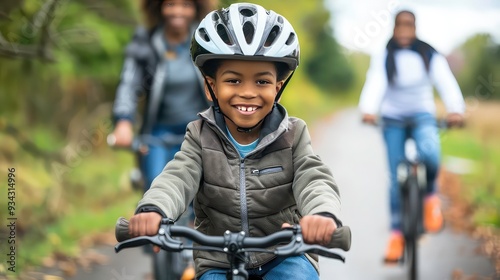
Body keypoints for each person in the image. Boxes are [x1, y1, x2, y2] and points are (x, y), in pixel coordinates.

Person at [127, 3, 343, 279]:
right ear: (211, 87)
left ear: (278, 87)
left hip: (284, 255)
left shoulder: (294, 134)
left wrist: (322, 215)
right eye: (234, 80)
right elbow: (177, 177)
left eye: (262, 82)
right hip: (218, 260)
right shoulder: (199, 135)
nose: (249, 93)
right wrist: (154, 209)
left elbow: (314, 179)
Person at [358, 10, 465, 262]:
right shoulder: (386, 54)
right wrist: (368, 110)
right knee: (395, 176)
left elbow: (445, 81)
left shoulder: (428, 53)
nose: (405, 31)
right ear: (393, 29)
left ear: (415, 28)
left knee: (430, 154)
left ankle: (430, 199)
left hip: (422, 116)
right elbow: (376, 82)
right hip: (392, 119)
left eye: (409, 26)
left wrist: (456, 109)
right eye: (400, 26)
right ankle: (396, 234)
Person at [110, 0, 216, 192]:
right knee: (155, 191)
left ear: (196, 8)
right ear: (158, 7)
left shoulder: (208, 41)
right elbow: (129, 83)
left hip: (199, 133)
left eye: (186, 5)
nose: (178, 11)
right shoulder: (146, 42)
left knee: (202, 198)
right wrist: (123, 120)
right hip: (157, 135)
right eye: (170, 4)